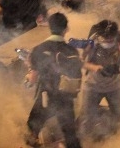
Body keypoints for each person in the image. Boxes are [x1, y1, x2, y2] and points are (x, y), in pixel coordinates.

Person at [25, 13, 81, 148]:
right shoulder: (71, 50)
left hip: (45, 99)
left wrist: (27, 78)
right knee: (71, 136)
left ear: (49, 27)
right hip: (65, 100)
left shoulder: (39, 49)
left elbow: (32, 79)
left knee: (31, 131)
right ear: (66, 29)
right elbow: (76, 79)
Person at [80, 20, 120, 139]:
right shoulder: (92, 39)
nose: (108, 42)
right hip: (92, 85)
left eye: (111, 40)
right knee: (86, 122)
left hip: (114, 86)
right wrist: (94, 67)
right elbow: (80, 61)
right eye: (105, 40)